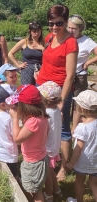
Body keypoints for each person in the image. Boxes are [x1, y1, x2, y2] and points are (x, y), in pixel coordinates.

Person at [35, 4, 78, 181]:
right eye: (51, 23)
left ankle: (64, 167)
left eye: (58, 23)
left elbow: (70, 75)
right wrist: (40, 72)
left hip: (59, 92)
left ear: (66, 22)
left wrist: (62, 100)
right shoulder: (49, 37)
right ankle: (45, 160)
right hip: (42, 88)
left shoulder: (70, 42)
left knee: (62, 129)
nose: (54, 27)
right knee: (41, 124)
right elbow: (47, 60)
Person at [7, 84, 49, 202]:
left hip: (33, 164)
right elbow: (47, 132)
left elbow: (17, 139)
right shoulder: (41, 116)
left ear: (25, 106)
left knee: (34, 193)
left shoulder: (33, 122)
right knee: (36, 190)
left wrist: (15, 118)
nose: (15, 107)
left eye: (17, 105)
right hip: (40, 158)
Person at [67, 14, 97, 134]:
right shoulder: (65, 38)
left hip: (79, 76)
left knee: (78, 103)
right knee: (63, 100)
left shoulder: (87, 41)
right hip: (65, 75)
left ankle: (75, 129)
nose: (70, 30)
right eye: (69, 27)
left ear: (80, 28)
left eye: (73, 28)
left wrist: (88, 62)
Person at [66, 90, 97, 202]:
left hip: (84, 160)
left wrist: (71, 163)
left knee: (79, 181)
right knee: (93, 183)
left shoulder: (82, 127)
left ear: (82, 109)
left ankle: (79, 200)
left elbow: (79, 147)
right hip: (95, 159)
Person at [37, 81, 63, 202]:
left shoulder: (47, 113)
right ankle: (56, 189)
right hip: (54, 145)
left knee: (47, 173)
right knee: (51, 170)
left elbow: (45, 131)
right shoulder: (57, 110)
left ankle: (49, 194)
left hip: (47, 147)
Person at [8, 21, 44, 85]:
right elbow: (10, 53)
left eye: (38, 31)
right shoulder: (25, 41)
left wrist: (42, 48)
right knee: (27, 91)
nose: (37, 33)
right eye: (34, 31)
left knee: (39, 91)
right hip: (27, 70)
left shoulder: (43, 42)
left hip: (40, 70)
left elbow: (47, 57)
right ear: (30, 32)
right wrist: (18, 65)